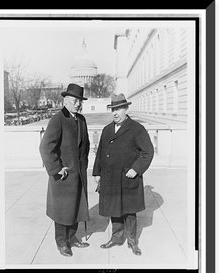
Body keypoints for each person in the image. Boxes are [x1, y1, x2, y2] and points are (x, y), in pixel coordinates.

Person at [92, 93, 154, 256]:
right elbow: (100, 153)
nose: (115, 113)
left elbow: (147, 152)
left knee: (129, 211)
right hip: (110, 178)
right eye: (113, 109)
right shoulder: (106, 130)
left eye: (119, 109)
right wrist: (97, 173)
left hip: (127, 177)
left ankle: (132, 241)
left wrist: (136, 169)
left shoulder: (136, 129)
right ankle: (116, 238)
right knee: (114, 209)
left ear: (126, 109)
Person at [39, 83, 90, 257]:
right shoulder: (57, 119)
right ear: (66, 100)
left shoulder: (81, 120)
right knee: (62, 211)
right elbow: (46, 147)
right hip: (63, 176)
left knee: (75, 207)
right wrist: (57, 169)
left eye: (80, 101)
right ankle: (62, 242)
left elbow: (86, 146)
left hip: (78, 175)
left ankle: (72, 237)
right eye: (75, 100)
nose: (77, 104)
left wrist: (84, 165)